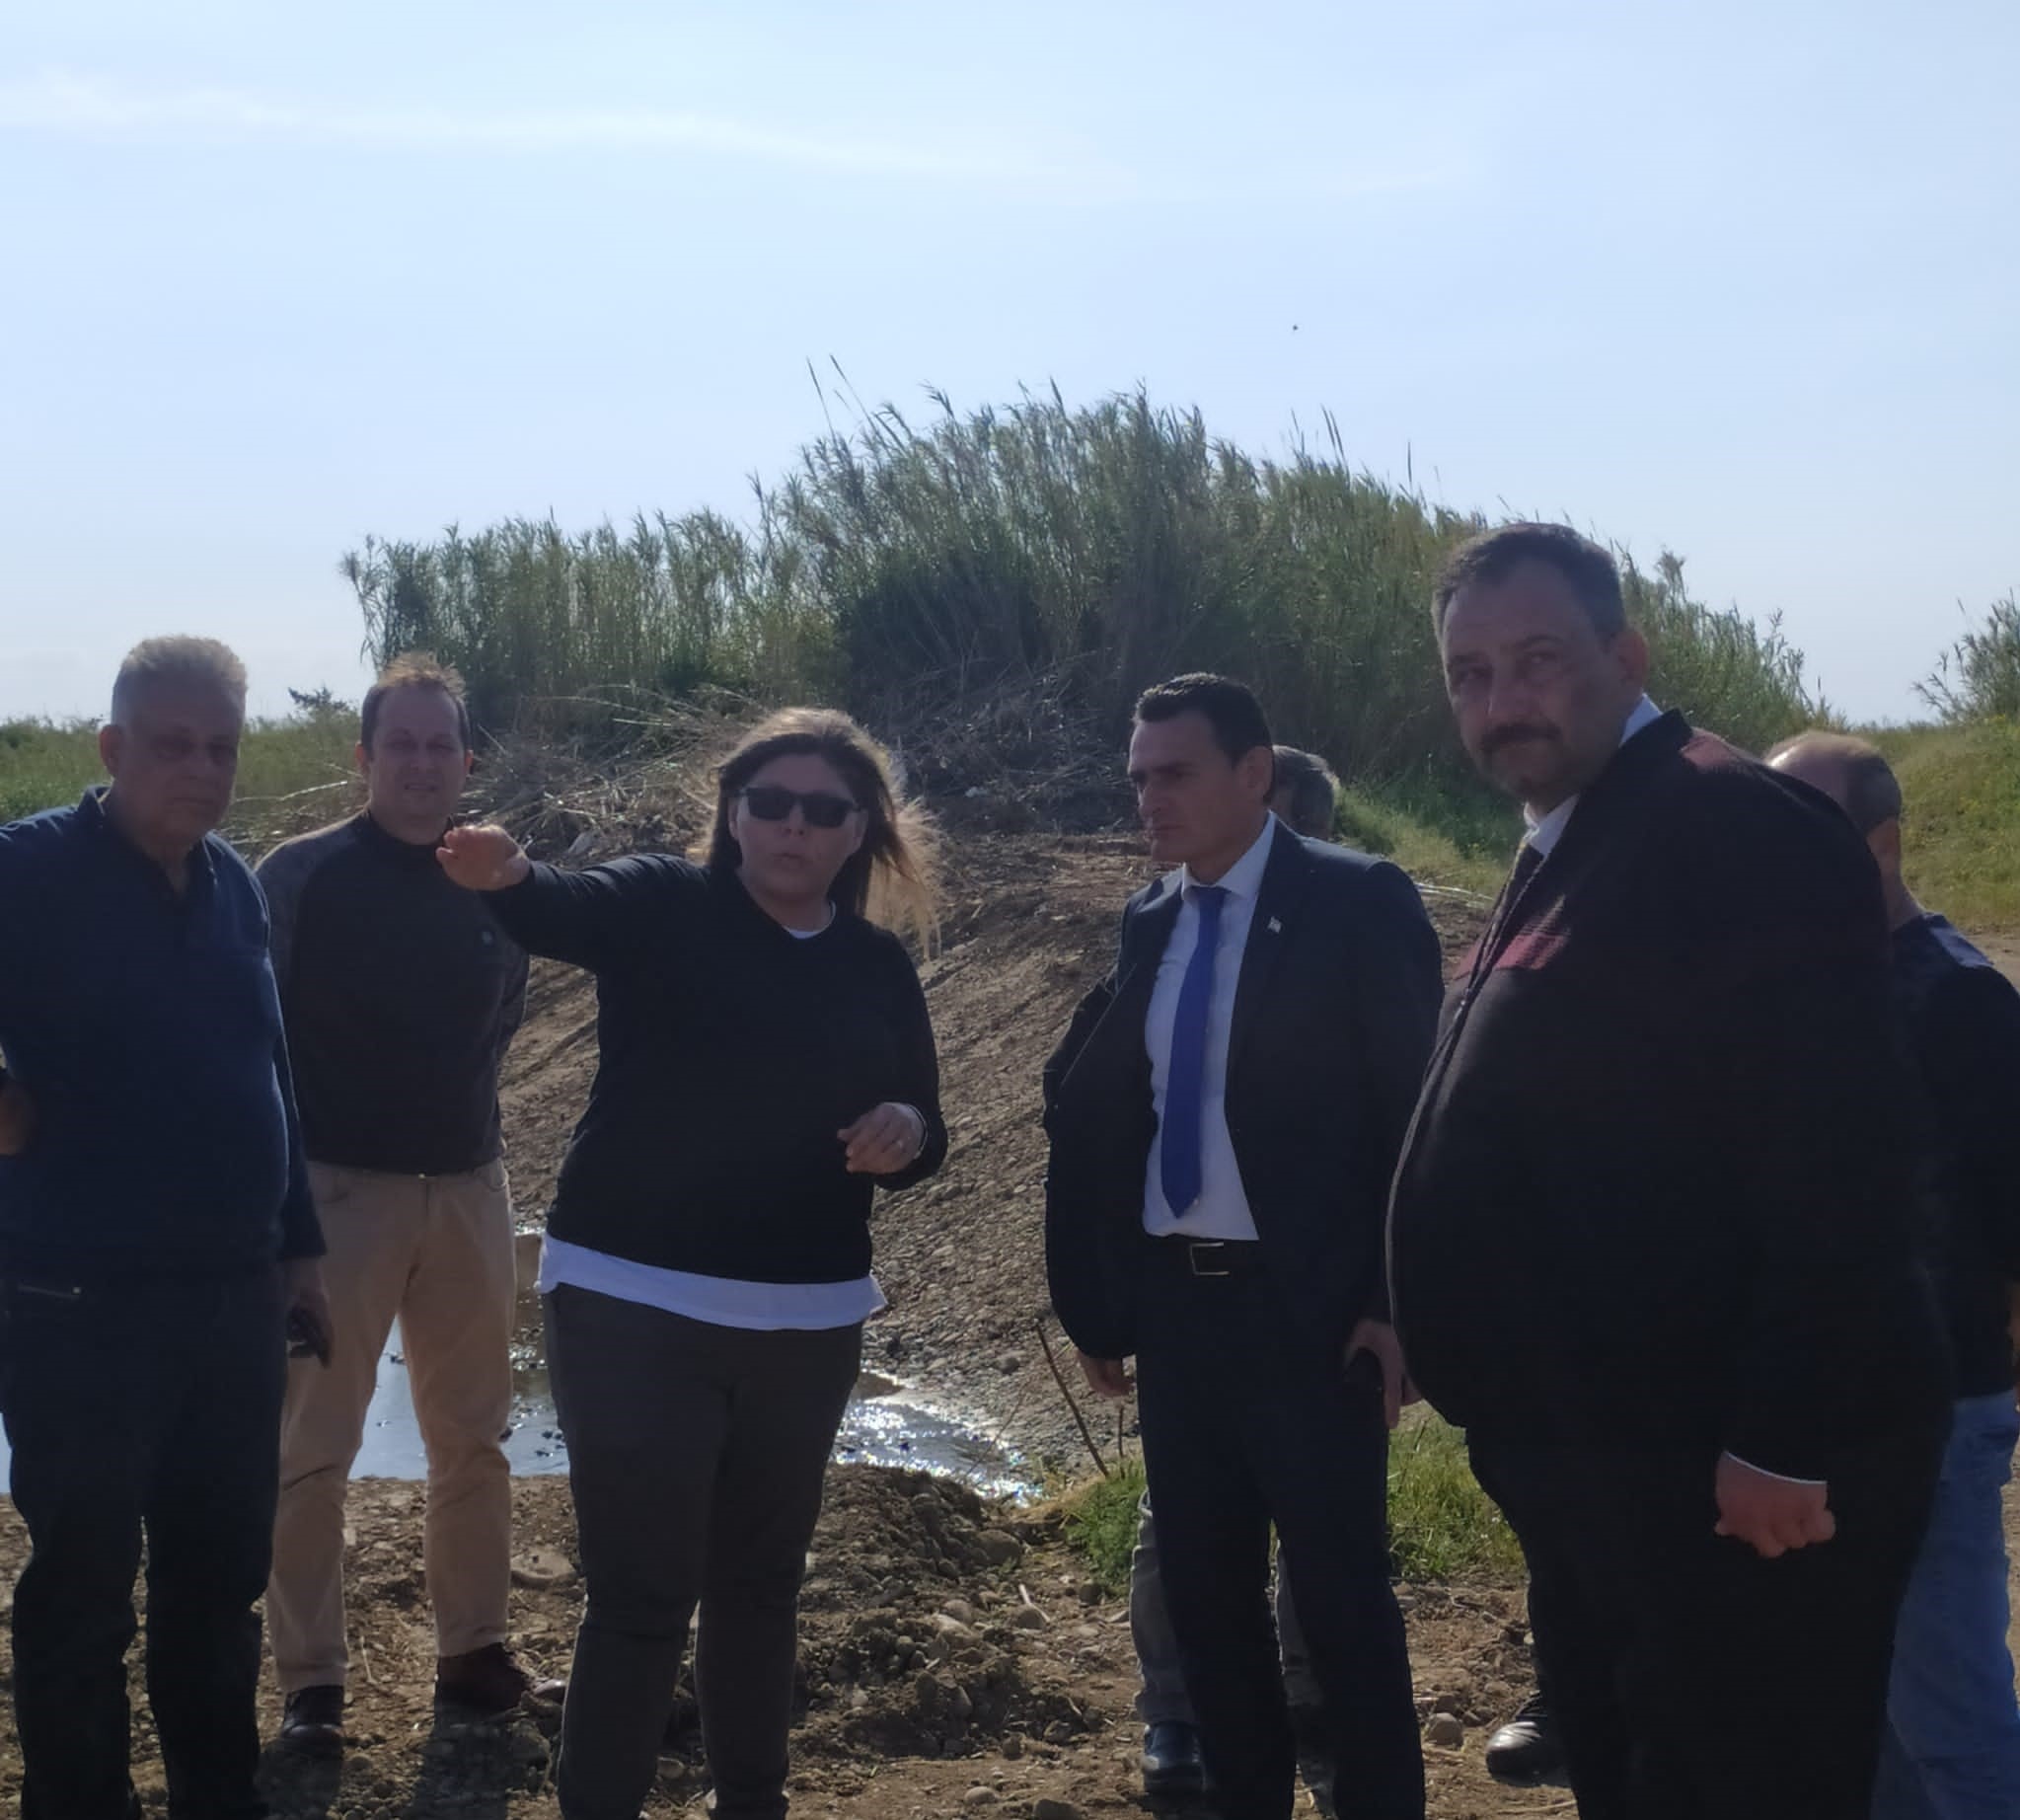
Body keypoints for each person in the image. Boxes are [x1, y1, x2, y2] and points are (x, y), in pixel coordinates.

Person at [1387, 523, 1950, 1819]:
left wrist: (1781, 1438)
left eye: (1535, 659)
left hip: (1720, 1477)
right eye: (1469, 674)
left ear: (1624, 656)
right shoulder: (1581, 834)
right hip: (1607, 1465)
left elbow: (1839, 1151)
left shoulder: (1725, 825)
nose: (1501, 701)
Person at [435, 707, 946, 1820]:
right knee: (641, 1598)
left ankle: (750, 1801)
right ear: (733, 811)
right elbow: (561, 905)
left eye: (824, 810)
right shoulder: (665, 902)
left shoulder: (875, 964)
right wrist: (509, 873)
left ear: (861, 829)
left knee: (760, 1587)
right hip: (632, 1301)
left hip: (808, 1316)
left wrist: (904, 1126)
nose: (795, 826)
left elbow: (926, 1127)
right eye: (772, 802)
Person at [1045, 677, 1441, 1820]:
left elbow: (1415, 1116)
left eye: (1174, 773)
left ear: (1254, 773)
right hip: (1182, 1310)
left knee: (1340, 1600)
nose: (1149, 799)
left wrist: (1393, 1303)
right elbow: (1117, 1114)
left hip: (1310, 1313)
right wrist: (1104, 1297)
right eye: (1138, 778)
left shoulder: (1355, 900)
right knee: (1209, 1603)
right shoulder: (1150, 918)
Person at [0, 637, 330, 1820]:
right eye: (173, 745)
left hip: (231, 1298)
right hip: (76, 1301)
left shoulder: (233, 882)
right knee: (84, 1586)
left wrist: (300, 1246)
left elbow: (270, 1070)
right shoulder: (27, 868)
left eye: (221, 748)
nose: (202, 769)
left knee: (218, 1580)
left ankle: (217, 1796)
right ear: (112, 747)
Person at [260, 654, 548, 1750]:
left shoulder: (494, 877)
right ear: (364, 757)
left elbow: (503, 1017)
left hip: (470, 1187)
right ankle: (311, 1682)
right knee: (311, 1448)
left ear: (467, 760)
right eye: (401, 744)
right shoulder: (301, 875)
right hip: (336, 1193)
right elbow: (258, 1033)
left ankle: (473, 1653)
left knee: (473, 1438)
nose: (421, 763)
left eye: (440, 745)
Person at [1768, 732, 2020, 1820]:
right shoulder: (1809, 990)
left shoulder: (1961, 1000)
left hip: (1937, 1416)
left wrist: (1981, 1398)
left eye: (1801, 833)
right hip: (1826, 1416)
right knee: (1858, 1715)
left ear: (1881, 844)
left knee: (1951, 1721)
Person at [1125, 740, 1337, 1803]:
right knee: (1178, 1522)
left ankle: (1315, 1703)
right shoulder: (1158, 925)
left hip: (1305, 1293)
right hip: (1186, 1289)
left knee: (1322, 1528)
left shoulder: (1349, 932)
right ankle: (1178, 1710)